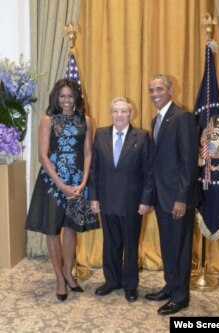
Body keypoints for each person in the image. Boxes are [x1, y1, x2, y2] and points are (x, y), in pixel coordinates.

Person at [25, 78, 99, 301]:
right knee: (52, 229)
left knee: (71, 228)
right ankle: (59, 276)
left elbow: (88, 153)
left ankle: (69, 271)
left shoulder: (86, 120)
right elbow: (43, 156)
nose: (67, 100)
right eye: (62, 96)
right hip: (52, 182)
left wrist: (84, 181)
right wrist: (60, 184)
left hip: (76, 181)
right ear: (56, 98)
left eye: (70, 96)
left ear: (77, 97)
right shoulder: (48, 120)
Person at [89, 97, 153, 302]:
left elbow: (149, 172)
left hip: (132, 203)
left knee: (130, 244)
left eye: (123, 111)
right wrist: (94, 197)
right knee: (110, 243)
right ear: (111, 113)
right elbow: (94, 169)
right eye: (115, 111)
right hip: (106, 200)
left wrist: (145, 200)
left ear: (130, 114)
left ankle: (130, 284)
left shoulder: (142, 136)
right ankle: (112, 281)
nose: (119, 115)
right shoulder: (100, 134)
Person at [145, 74, 199, 315]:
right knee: (168, 245)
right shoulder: (156, 119)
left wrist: (181, 198)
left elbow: (189, 162)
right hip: (161, 197)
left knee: (179, 247)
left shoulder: (183, 117)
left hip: (177, 199)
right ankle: (170, 285)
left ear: (170, 90)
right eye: (151, 90)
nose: (155, 93)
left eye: (159, 89)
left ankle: (180, 296)